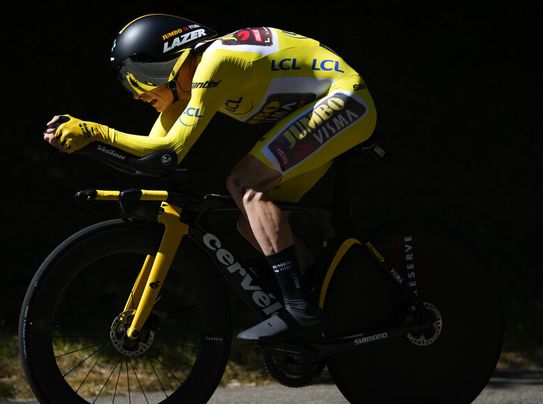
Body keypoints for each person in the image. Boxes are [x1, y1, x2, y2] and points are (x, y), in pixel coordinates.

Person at [43, 14, 377, 342]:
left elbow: (170, 149)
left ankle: (298, 307)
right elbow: (154, 158)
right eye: (128, 80)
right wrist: (87, 147)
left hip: (346, 99)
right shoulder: (186, 88)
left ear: (174, 58)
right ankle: (335, 296)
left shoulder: (215, 61)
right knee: (252, 222)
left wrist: (92, 130)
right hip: (324, 107)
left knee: (245, 185)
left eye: (142, 75)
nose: (137, 92)